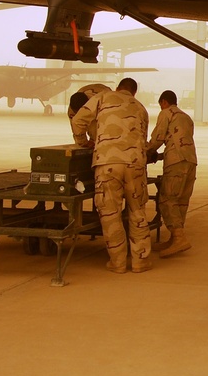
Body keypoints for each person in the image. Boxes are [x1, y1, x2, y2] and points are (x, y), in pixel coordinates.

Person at [71, 78, 152, 273]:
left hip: (107, 163)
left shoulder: (103, 97)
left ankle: (118, 262)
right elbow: (143, 139)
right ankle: (140, 261)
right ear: (133, 93)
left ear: (118, 88)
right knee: (137, 211)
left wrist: (83, 142)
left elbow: (78, 121)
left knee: (110, 213)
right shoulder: (141, 108)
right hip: (135, 165)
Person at [147, 90, 197, 258]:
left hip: (176, 162)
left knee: (167, 199)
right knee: (181, 200)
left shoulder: (166, 113)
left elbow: (157, 139)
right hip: (190, 161)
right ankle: (174, 239)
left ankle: (179, 238)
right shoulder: (186, 117)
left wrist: (146, 152)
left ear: (164, 102)